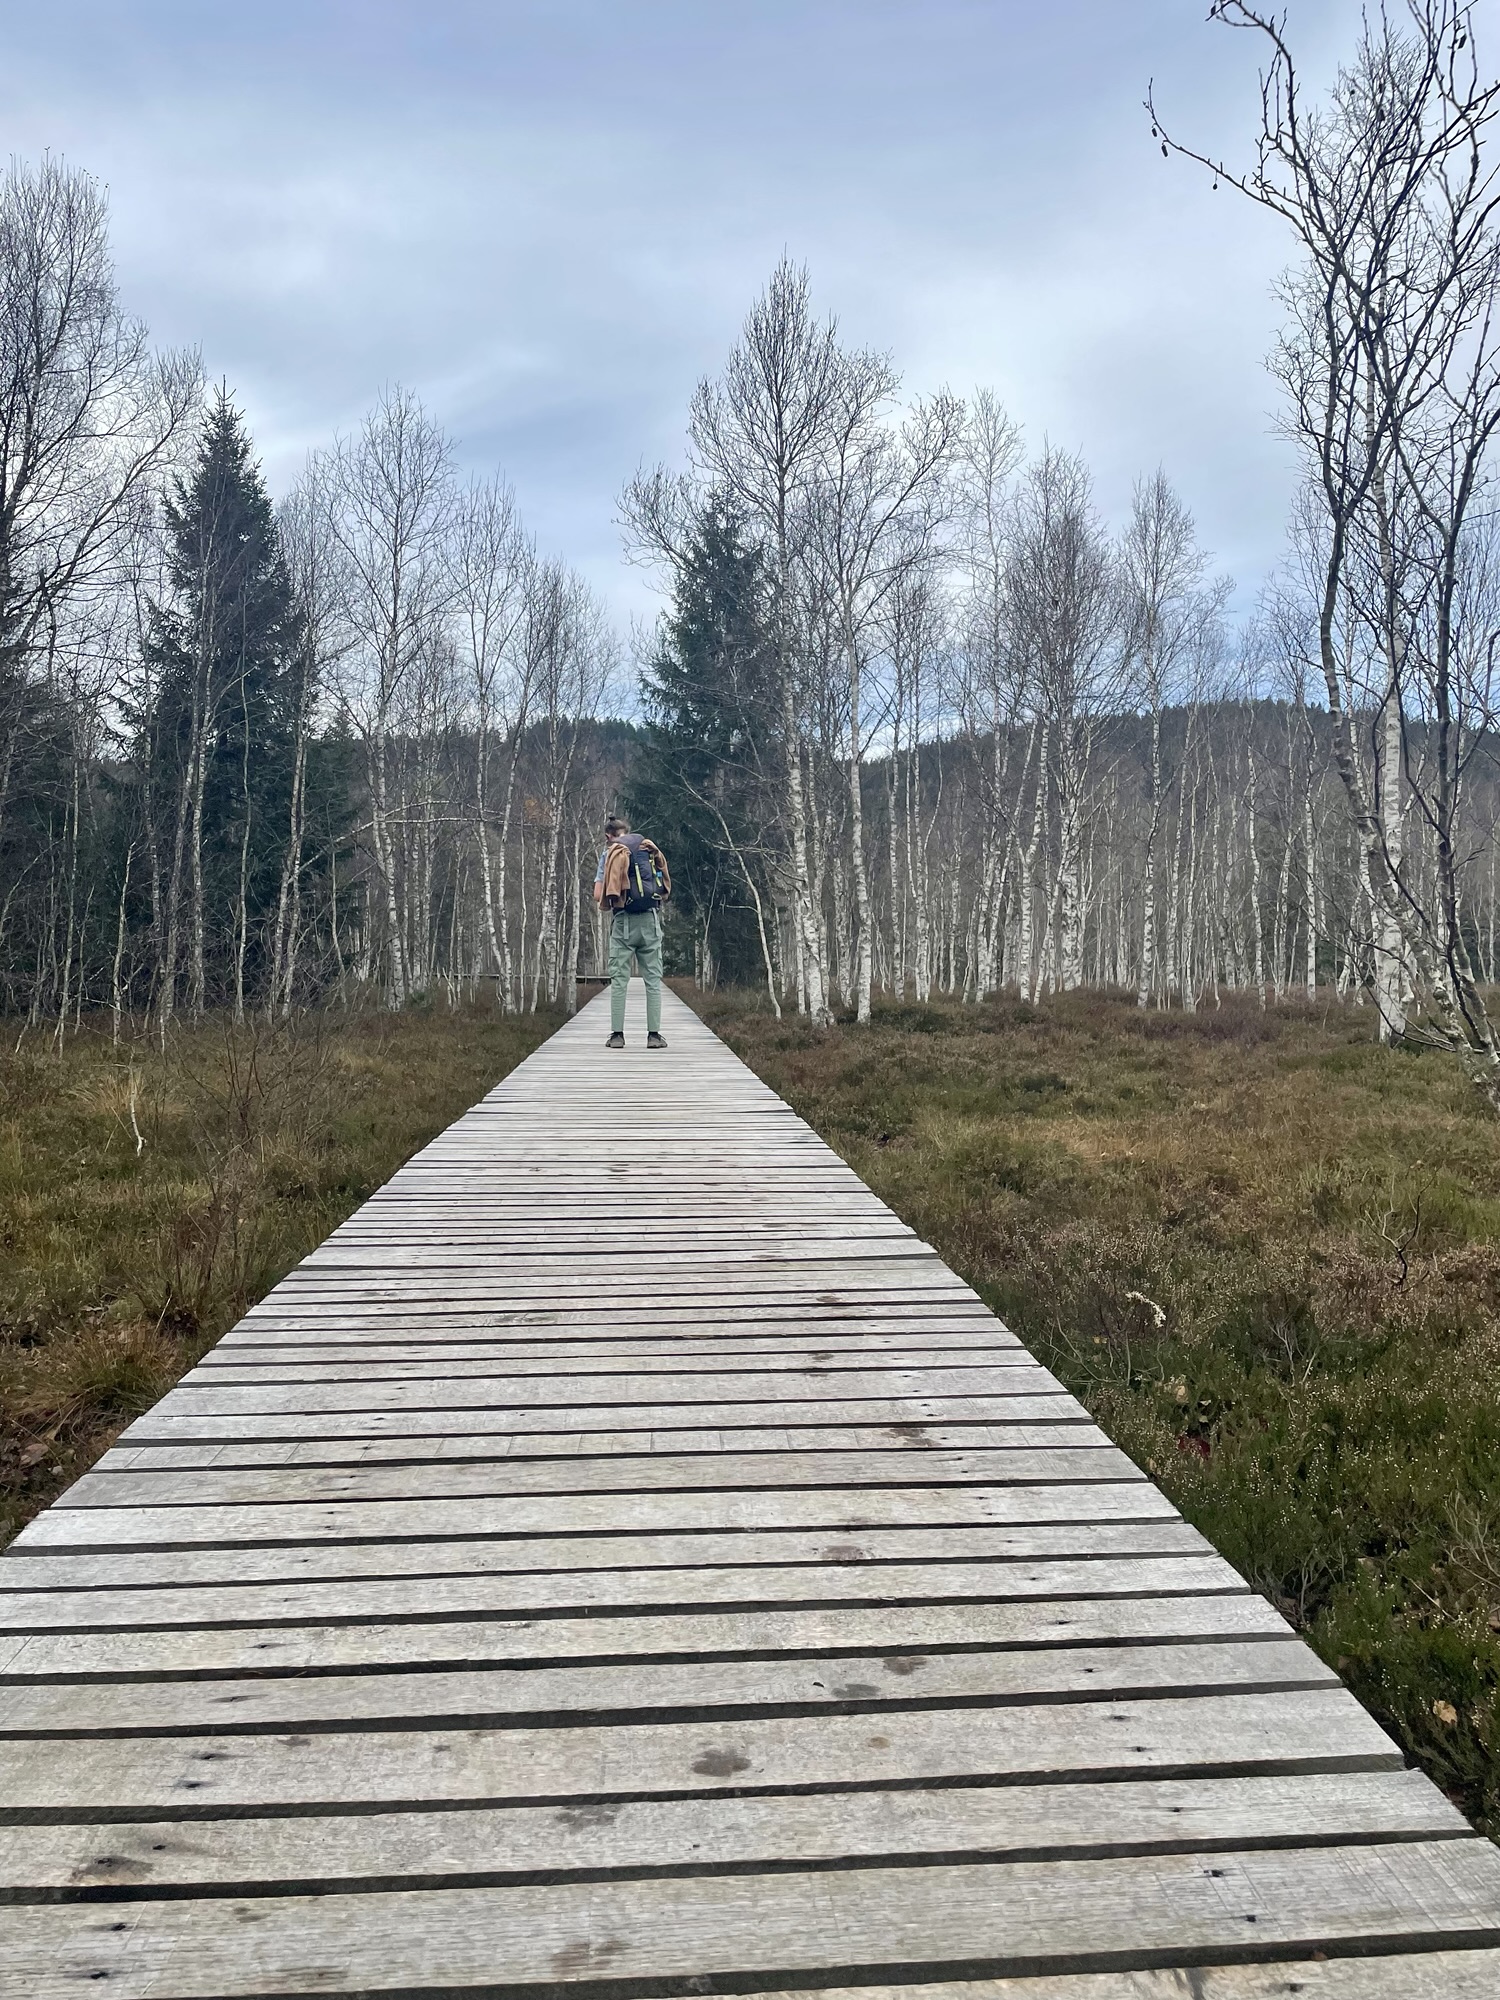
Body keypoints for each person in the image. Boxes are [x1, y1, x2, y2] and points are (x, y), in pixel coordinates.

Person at [594, 813, 671, 1049]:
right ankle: (654, 1036)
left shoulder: (610, 854)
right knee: (653, 981)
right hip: (649, 920)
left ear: (608, 836)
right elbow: (661, 886)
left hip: (623, 922)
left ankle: (617, 1036)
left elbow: (598, 895)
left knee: (619, 981)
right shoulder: (646, 848)